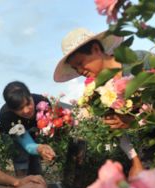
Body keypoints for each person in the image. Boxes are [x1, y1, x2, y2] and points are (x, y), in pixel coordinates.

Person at [54, 28, 146, 178]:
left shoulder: (139, 61)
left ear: (96, 49)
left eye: (80, 63)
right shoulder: (99, 92)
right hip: (149, 150)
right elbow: (116, 127)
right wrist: (136, 161)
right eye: (75, 68)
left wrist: (133, 120)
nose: (79, 71)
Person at [0, 81, 56, 177]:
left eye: (28, 103)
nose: (26, 110)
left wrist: (43, 148)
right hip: (13, 135)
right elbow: (27, 143)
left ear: (30, 95)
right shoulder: (7, 116)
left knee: (35, 159)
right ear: (12, 109)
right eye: (19, 109)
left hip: (33, 131)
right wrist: (39, 148)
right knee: (21, 156)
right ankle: (22, 182)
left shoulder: (42, 102)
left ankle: (36, 179)